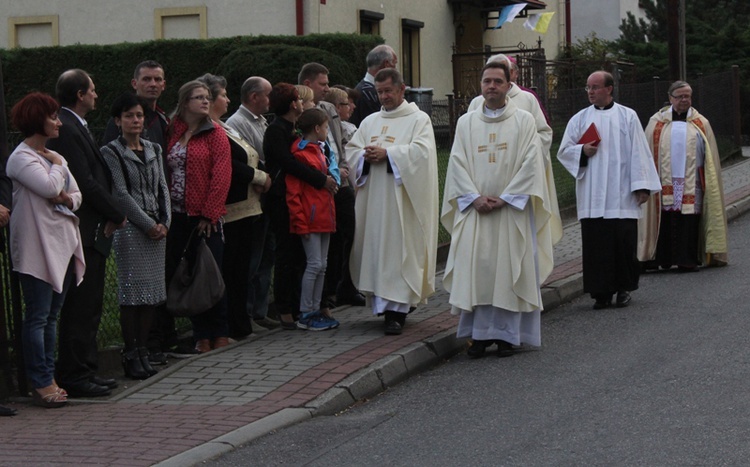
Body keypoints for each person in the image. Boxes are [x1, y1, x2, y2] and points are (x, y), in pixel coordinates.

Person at [441, 62, 558, 358]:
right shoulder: (467, 122)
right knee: (478, 270)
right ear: (480, 86)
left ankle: (508, 336)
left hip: (510, 211)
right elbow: (456, 162)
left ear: (508, 85)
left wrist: (506, 198)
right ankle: (478, 336)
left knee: (509, 270)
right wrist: (473, 197)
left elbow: (532, 161)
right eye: (486, 81)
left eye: (497, 81)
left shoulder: (523, 120)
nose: (491, 86)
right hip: (476, 210)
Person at [48, 69, 126, 398]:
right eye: (92, 90)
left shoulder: (76, 125)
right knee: (81, 304)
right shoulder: (65, 129)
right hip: (85, 229)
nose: (96, 95)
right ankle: (75, 373)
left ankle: (87, 368)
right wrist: (116, 212)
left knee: (92, 302)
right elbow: (84, 179)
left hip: (93, 227)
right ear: (80, 94)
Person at [345, 68, 439, 335]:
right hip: (374, 201)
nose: (383, 96)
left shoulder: (418, 119)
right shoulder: (369, 122)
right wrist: (364, 158)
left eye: (388, 91)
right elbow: (352, 151)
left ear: (402, 89)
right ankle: (385, 307)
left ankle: (396, 312)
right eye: (379, 92)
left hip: (402, 203)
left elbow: (423, 154)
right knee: (377, 249)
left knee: (399, 251)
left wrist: (389, 155)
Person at [557, 71, 661, 310]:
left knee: (622, 243)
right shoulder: (580, 119)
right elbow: (564, 151)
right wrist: (582, 152)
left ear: (609, 89)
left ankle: (624, 289)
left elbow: (639, 152)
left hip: (621, 193)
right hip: (592, 194)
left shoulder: (627, 116)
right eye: (588, 88)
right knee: (597, 246)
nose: (591, 92)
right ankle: (600, 292)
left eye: (595, 87)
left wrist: (641, 187)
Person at [7, 92, 85, 407]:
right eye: (53, 116)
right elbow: (51, 187)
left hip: (61, 245)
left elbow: (75, 194)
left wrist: (66, 196)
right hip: (36, 248)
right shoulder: (21, 158)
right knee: (38, 316)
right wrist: (60, 166)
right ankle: (40, 381)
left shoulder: (49, 158)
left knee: (51, 316)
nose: (58, 122)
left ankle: (48, 377)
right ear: (37, 119)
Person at [101, 93, 171, 379]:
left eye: (139, 116)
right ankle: (131, 353)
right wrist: (147, 224)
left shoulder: (154, 147)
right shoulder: (111, 152)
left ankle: (143, 350)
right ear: (118, 121)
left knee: (152, 294)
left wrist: (165, 221)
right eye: (129, 116)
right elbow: (120, 193)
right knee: (133, 293)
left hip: (158, 227)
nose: (135, 121)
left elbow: (163, 186)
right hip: (132, 229)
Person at [196, 73, 271, 340]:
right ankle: (232, 326)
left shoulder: (225, 127)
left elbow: (248, 154)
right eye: (224, 95)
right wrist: (260, 177)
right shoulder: (210, 129)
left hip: (247, 206)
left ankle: (241, 325)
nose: (228, 99)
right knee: (234, 270)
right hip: (232, 208)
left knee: (242, 270)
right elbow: (229, 164)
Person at [264, 83, 338, 329]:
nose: (301, 103)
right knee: (291, 257)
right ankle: (294, 309)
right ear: (291, 104)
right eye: (298, 99)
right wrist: (322, 180)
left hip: (312, 205)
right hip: (288, 202)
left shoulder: (296, 134)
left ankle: (310, 306)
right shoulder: (278, 132)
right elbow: (290, 165)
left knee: (311, 261)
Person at [468, 54, 561, 247]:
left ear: (511, 75)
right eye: (488, 79)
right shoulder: (476, 104)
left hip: (517, 181)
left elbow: (543, 133)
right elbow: (468, 144)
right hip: (482, 185)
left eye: (499, 76)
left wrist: (523, 160)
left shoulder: (527, 100)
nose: (493, 84)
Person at [165, 80, 232, 353]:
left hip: (205, 217)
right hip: (177, 215)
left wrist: (209, 213)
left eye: (207, 97)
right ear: (184, 103)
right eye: (198, 97)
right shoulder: (173, 131)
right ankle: (200, 334)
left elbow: (221, 175)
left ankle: (219, 332)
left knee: (210, 272)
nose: (205, 102)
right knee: (188, 273)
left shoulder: (215, 133)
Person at [638, 80, 728, 271]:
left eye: (688, 96)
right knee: (664, 218)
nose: (685, 100)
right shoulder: (657, 122)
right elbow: (646, 153)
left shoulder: (701, 122)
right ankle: (659, 258)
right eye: (680, 96)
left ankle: (687, 259)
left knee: (688, 219)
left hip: (691, 180)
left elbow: (710, 155)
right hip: (662, 181)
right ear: (671, 98)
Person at [300, 63, 364, 308]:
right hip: (320, 187)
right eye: (323, 84)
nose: (327, 88)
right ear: (308, 84)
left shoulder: (327, 108)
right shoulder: (304, 115)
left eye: (328, 83)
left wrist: (344, 169)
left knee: (350, 233)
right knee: (328, 244)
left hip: (340, 183)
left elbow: (337, 144)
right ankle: (324, 294)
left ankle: (346, 285)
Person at [225, 76, 279, 330]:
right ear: (254, 97)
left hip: (265, 196)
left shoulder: (262, 120)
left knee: (266, 256)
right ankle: (246, 312)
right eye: (267, 94)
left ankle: (259, 309)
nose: (271, 99)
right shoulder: (237, 123)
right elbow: (254, 155)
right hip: (251, 197)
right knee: (251, 259)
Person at [288, 108, 339, 331]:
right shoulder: (301, 154)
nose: (327, 131)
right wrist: (300, 221)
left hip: (323, 215)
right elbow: (294, 192)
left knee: (323, 265)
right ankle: (306, 311)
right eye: (326, 127)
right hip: (310, 217)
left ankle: (316, 308)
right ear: (317, 129)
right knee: (315, 263)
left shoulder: (319, 150)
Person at [101, 60, 169, 150]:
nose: (153, 84)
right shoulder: (120, 121)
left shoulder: (163, 120)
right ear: (134, 83)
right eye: (146, 79)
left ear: (163, 85)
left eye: (157, 79)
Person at [350, 44, 398, 126]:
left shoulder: (362, 90)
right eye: (394, 63)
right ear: (386, 64)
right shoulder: (369, 95)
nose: (396, 69)